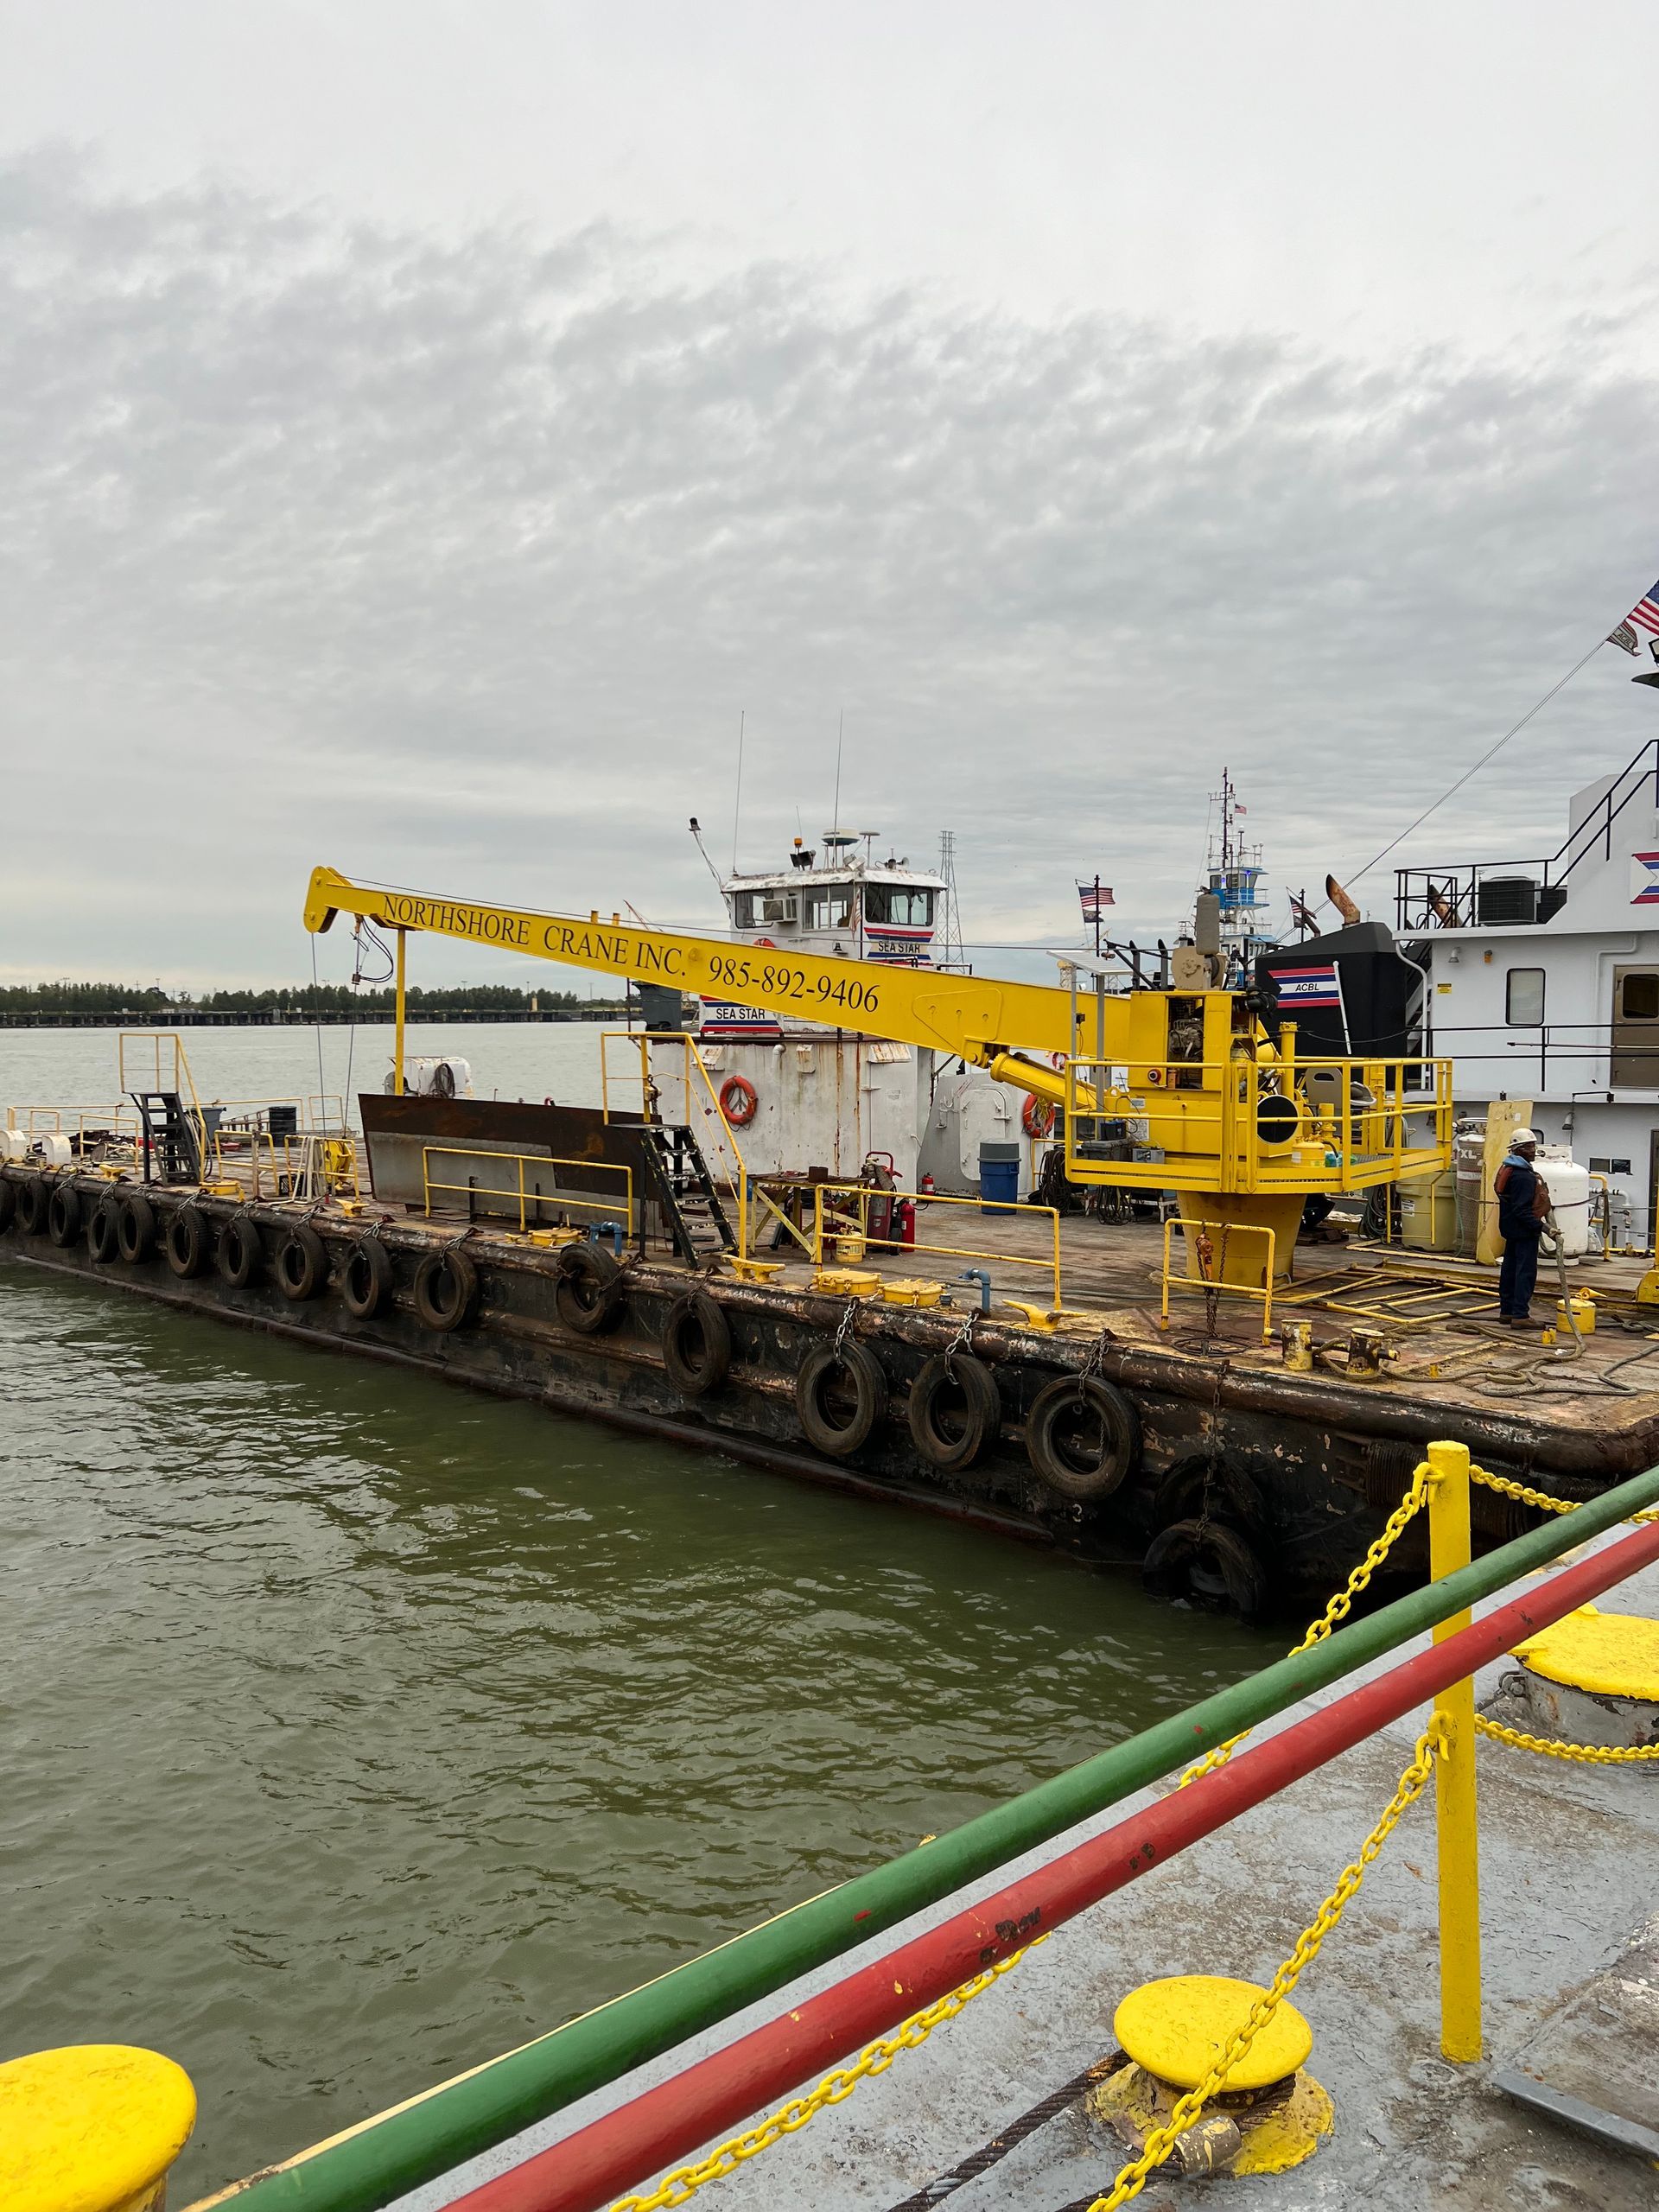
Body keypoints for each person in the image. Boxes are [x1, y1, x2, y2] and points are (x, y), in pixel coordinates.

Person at [1494, 1128, 1550, 1326]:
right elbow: (1522, 1210)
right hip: (1524, 1232)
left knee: (1509, 1270)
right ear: (1518, 1149)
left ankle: (1507, 1311)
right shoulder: (1524, 1176)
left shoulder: (1507, 1170)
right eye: (1529, 1147)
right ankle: (1521, 1315)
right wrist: (1543, 1228)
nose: (1533, 1150)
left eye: (1534, 1146)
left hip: (1510, 1230)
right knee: (1525, 1273)